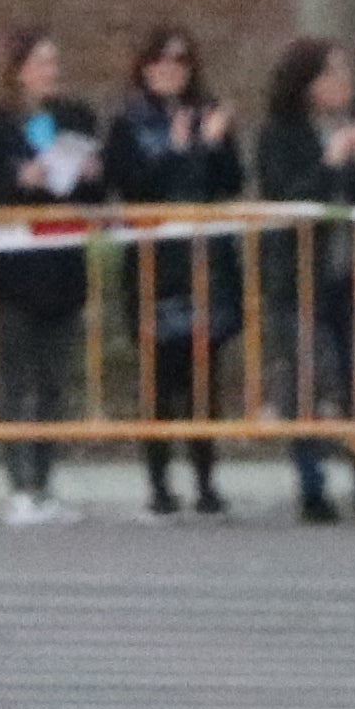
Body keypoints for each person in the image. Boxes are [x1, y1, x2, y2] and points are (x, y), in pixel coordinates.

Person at [0, 29, 104, 526]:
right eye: (41, 61)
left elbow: (98, 190)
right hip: (14, 271)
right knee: (17, 379)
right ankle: (19, 482)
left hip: (63, 267)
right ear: (18, 68)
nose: (51, 71)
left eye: (54, 61)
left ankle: (45, 480)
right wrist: (19, 182)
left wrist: (88, 176)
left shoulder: (72, 119)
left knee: (53, 381)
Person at [253, 37, 355, 525]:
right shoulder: (280, 134)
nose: (341, 83)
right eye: (329, 75)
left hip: (351, 273)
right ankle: (312, 485)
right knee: (308, 378)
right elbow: (287, 197)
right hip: (299, 276)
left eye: (344, 73)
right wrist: (329, 162)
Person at [109, 25, 242, 520]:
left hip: (206, 261)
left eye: (181, 61)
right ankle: (160, 482)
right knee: (161, 378)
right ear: (145, 68)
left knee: (206, 379)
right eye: (161, 61)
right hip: (156, 265)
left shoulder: (207, 113)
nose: (171, 70)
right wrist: (176, 148)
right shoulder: (129, 121)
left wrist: (211, 144)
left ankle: (207, 479)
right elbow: (132, 184)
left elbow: (230, 181)